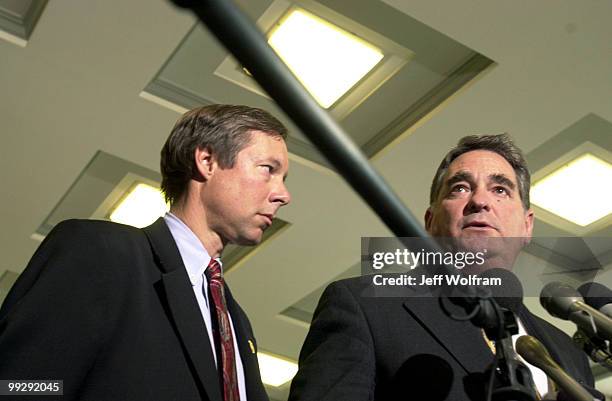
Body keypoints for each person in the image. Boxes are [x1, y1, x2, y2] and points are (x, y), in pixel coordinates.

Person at [0, 104, 291, 401]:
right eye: (268, 170)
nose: (283, 195)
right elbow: (18, 385)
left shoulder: (236, 321)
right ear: (207, 161)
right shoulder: (101, 252)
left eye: (284, 179)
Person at [288, 134, 595, 401]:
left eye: (500, 190)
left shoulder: (567, 352)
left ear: (527, 226)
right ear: (429, 221)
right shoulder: (364, 305)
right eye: (460, 188)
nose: (480, 201)